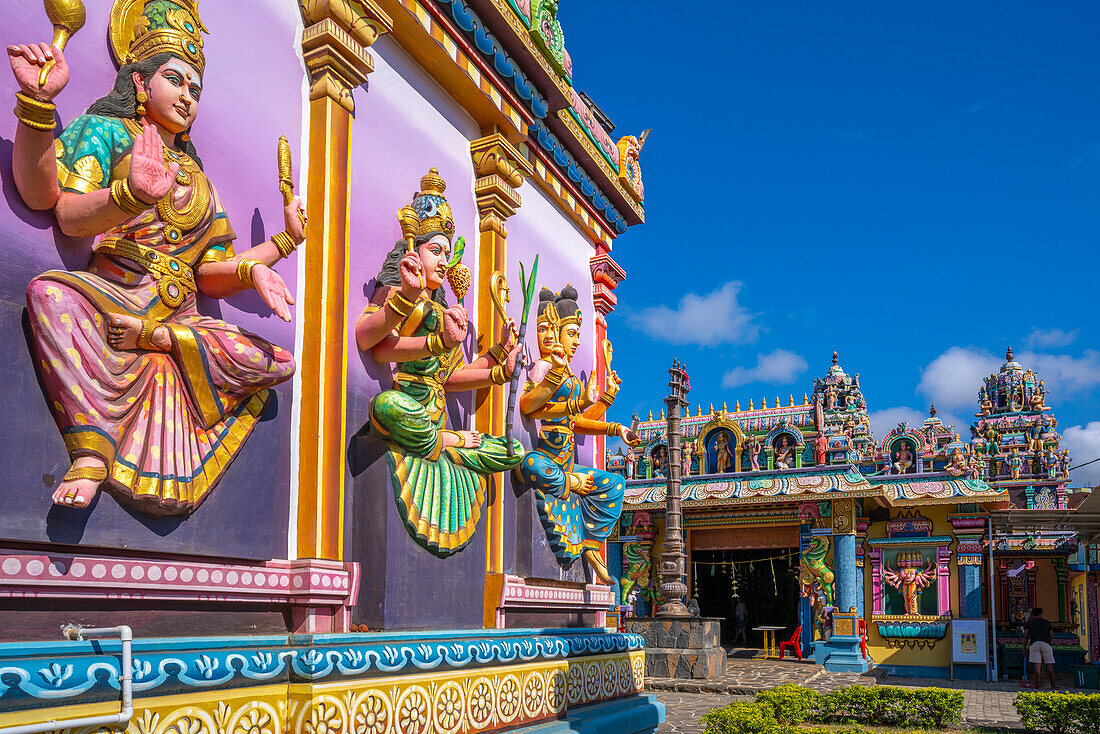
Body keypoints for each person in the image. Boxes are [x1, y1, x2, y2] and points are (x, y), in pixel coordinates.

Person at [10, 3, 301, 515]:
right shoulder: (109, 134)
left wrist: (270, 255)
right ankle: (92, 451)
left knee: (278, 360)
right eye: (176, 80)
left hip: (178, 318)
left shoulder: (198, 179)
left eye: (196, 89)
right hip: (115, 294)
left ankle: (158, 341)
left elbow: (209, 273)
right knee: (49, 294)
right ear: (140, 85)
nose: (189, 96)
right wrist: (38, 107)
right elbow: (58, 209)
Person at [1022, 607, 1056, 690]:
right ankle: (1053, 685)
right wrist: (1049, 642)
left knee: (1037, 666)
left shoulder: (1029, 623)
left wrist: (1024, 648)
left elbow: (1026, 636)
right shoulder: (1046, 622)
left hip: (1034, 644)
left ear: (1032, 614)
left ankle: (1039, 685)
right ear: (1041, 614)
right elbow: (1051, 635)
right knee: (1049, 665)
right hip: (1046, 643)